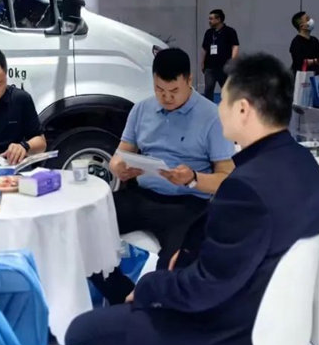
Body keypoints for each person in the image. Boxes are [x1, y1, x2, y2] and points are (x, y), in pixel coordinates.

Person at [66, 53, 319, 345]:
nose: (218, 108)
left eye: (224, 100)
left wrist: (150, 287)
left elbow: (204, 290)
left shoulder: (245, 189)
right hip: (278, 319)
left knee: (83, 333)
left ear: (243, 109)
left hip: (230, 325)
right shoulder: (304, 164)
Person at [91, 48, 236, 305]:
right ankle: (124, 297)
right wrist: (119, 167)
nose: (166, 97)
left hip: (188, 204)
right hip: (141, 195)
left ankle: (155, 307)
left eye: (174, 91)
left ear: (189, 80)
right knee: (85, 227)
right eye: (159, 89)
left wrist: (193, 178)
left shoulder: (212, 116)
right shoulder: (141, 109)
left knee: (175, 265)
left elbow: (227, 178)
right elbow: (118, 156)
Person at [201, 9, 240, 102]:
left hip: (224, 66)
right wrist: (202, 62)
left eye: (211, 19)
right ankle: (208, 108)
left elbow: (235, 46)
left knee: (226, 89)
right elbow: (204, 48)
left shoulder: (229, 31)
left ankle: (228, 107)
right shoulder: (209, 32)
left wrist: (232, 61)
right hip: (210, 66)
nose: (209, 21)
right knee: (208, 89)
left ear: (218, 19)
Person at [289, 10, 319, 74]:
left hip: (315, 76)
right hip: (302, 77)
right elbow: (300, 62)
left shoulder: (315, 40)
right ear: (302, 26)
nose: (311, 20)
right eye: (307, 19)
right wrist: (318, 61)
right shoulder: (296, 42)